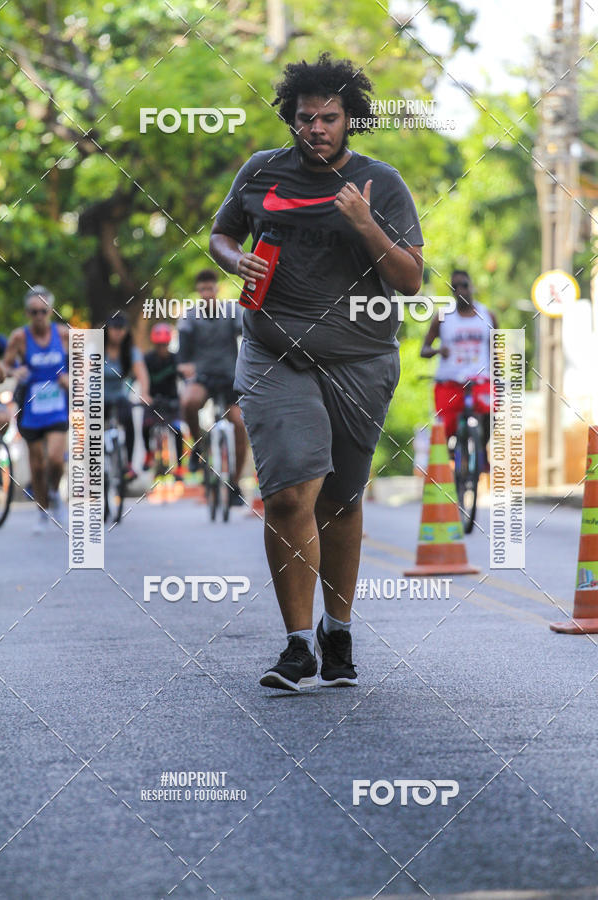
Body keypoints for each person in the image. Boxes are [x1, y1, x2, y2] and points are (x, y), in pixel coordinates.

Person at [210, 53, 423, 690]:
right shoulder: (262, 172)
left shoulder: (379, 184)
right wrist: (232, 260)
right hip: (275, 352)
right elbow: (221, 234)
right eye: (305, 118)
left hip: (360, 360)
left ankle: (339, 632)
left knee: (341, 498)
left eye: (329, 118)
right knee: (286, 494)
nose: (317, 128)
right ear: (292, 119)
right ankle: (297, 644)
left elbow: (410, 281)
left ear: (351, 119)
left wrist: (364, 226)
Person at [2, 286, 69, 532]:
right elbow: (4, 367)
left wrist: (70, 378)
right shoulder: (19, 337)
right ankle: (42, 509)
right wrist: (14, 371)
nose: (39, 316)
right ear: (27, 313)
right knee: (38, 465)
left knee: (54, 458)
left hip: (57, 407)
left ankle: (55, 494)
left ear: (50, 311)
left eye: (43, 311)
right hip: (31, 409)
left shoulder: (62, 334)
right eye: (33, 312)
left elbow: (85, 360)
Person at [178, 269, 246, 498]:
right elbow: (182, 353)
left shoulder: (232, 311)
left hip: (229, 376)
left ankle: (235, 484)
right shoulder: (189, 316)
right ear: (198, 292)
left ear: (216, 289)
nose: (206, 293)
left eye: (210, 288)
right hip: (203, 376)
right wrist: (184, 365)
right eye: (202, 290)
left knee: (239, 422)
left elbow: (246, 335)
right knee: (188, 401)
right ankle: (197, 445)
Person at [420, 269, 497, 468]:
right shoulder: (442, 317)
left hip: (480, 380)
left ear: (472, 286)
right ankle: (450, 464)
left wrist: (498, 376)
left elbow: (496, 350)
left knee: (492, 413)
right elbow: (424, 350)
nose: (461, 290)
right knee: (445, 428)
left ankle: (482, 448)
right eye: (456, 287)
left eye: (464, 285)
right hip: (449, 381)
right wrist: (438, 350)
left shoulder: (488, 315)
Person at [103, 311, 151, 481]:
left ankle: (129, 464)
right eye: (114, 328)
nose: (118, 332)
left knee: (129, 420)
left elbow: (141, 372)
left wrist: (144, 393)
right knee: (91, 429)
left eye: (121, 328)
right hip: (97, 396)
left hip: (119, 397)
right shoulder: (97, 349)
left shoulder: (130, 351)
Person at [142, 322, 185, 480]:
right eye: (159, 345)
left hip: (172, 401)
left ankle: (179, 468)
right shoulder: (147, 359)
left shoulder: (175, 359)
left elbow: (184, 378)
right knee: (145, 426)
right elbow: (137, 377)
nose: (162, 349)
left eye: (165, 345)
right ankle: (148, 455)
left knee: (178, 430)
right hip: (152, 400)